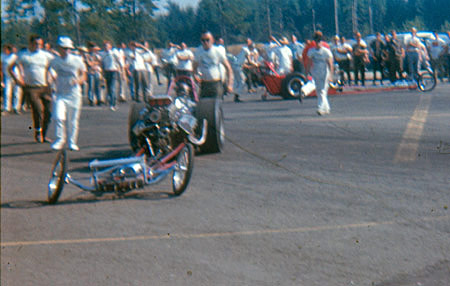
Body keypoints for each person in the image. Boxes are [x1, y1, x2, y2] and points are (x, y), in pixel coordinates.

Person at [8, 34, 54, 143]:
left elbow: (53, 67)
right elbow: (10, 68)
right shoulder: (23, 55)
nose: (38, 46)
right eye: (36, 44)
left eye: (40, 44)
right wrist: (17, 80)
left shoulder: (46, 55)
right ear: (30, 43)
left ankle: (44, 134)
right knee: (38, 110)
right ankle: (38, 132)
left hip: (45, 87)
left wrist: (51, 78)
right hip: (31, 87)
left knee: (48, 111)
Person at [48, 36, 87, 151]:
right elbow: (49, 71)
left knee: (72, 120)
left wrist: (78, 80)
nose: (65, 50)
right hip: (60, 94)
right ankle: (60, 139)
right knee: (58, 116)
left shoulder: (77, 60)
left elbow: (83, 74)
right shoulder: (55, 61)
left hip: (74, 94)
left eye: (67, 48)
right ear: (59, 48)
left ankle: (72, 142)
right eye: (63, 48)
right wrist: (51, 80)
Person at [193, 31, 233, 99]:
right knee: (203, 107)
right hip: (204, 84)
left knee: (216, 106)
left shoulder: (217, 51)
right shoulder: (198, 51)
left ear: (212, 40)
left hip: (216, 83)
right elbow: (194, 67)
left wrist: (230, 84)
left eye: (207, 40)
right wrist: (195, 76)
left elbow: (228, 68)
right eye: (203, 40)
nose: (205, 42)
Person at [305, 31, 334, 116]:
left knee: (322, 90)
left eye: (320, 41)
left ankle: (320, 108)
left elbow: (330, 64)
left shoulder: (326, 51)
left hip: (324, 72)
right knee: (319, 90)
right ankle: (327, 108)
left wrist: (331, 75)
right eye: (317, 41)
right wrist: (307, 73)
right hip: (316, 72)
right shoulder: (311, 51)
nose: (318, 43)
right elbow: (309, 63)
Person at [101, 40, 122, 111]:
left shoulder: (113, 53)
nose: (105, 47)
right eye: (104, 46)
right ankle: (114, 102)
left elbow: (118, 60)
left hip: (113, 70)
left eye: (107, 46)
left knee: (112, 87)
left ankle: (112, 104)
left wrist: (121, 68)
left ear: (110, 46)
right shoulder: (103, 54)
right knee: (109, 88)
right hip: (107, 71)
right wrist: (102, 72)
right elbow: (102, 63)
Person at [2, 44, 22, 115]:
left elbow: (19, 66)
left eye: (6, 49)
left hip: (16, 76)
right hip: (7, 77)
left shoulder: (15, 57)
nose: (4, 50)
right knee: (7, 93)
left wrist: (21, 77)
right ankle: (7, 108)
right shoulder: (3, 56)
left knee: (17, 92)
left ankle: (16, 108)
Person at [85, 41, 103, 106]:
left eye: (93, 47)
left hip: (96, 72)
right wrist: (95, 63)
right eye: (91, 47)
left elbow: (100, 62)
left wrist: (94, 63)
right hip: (90, 72)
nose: (92, 48)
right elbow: (88, 63)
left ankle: (98, 99)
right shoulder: (86, 55)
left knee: (97, 86)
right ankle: (91, 99)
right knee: (90, 87)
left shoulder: (97, 55)